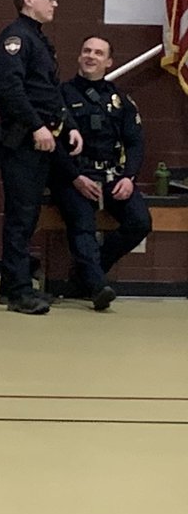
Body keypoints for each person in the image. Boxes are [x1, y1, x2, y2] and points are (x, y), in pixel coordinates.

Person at [0, 0, 83, 314]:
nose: (54, 4)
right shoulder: (15, 39)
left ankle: (10, 285)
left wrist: (69, 126)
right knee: (21, 217)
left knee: (28, 217)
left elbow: (49, 91)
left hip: (43, 138)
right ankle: (18, 292)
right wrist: (37, 126)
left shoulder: (39, 40)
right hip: (22, 139)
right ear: (28, 0)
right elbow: (11, 91)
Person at [50, 36, 151, 310]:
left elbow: (135, 142)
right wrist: (75, 177)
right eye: (86, 51)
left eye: (98, 53)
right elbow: (54, 144)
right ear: (79, 57)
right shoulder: (60, 95)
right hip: (74, 178)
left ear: (109, 62)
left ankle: (86, 275)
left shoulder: (120, 100)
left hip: (112, 178)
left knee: (140, 222)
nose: (90, 56)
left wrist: (129, 177)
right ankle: (97, 288)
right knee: (82, 226)